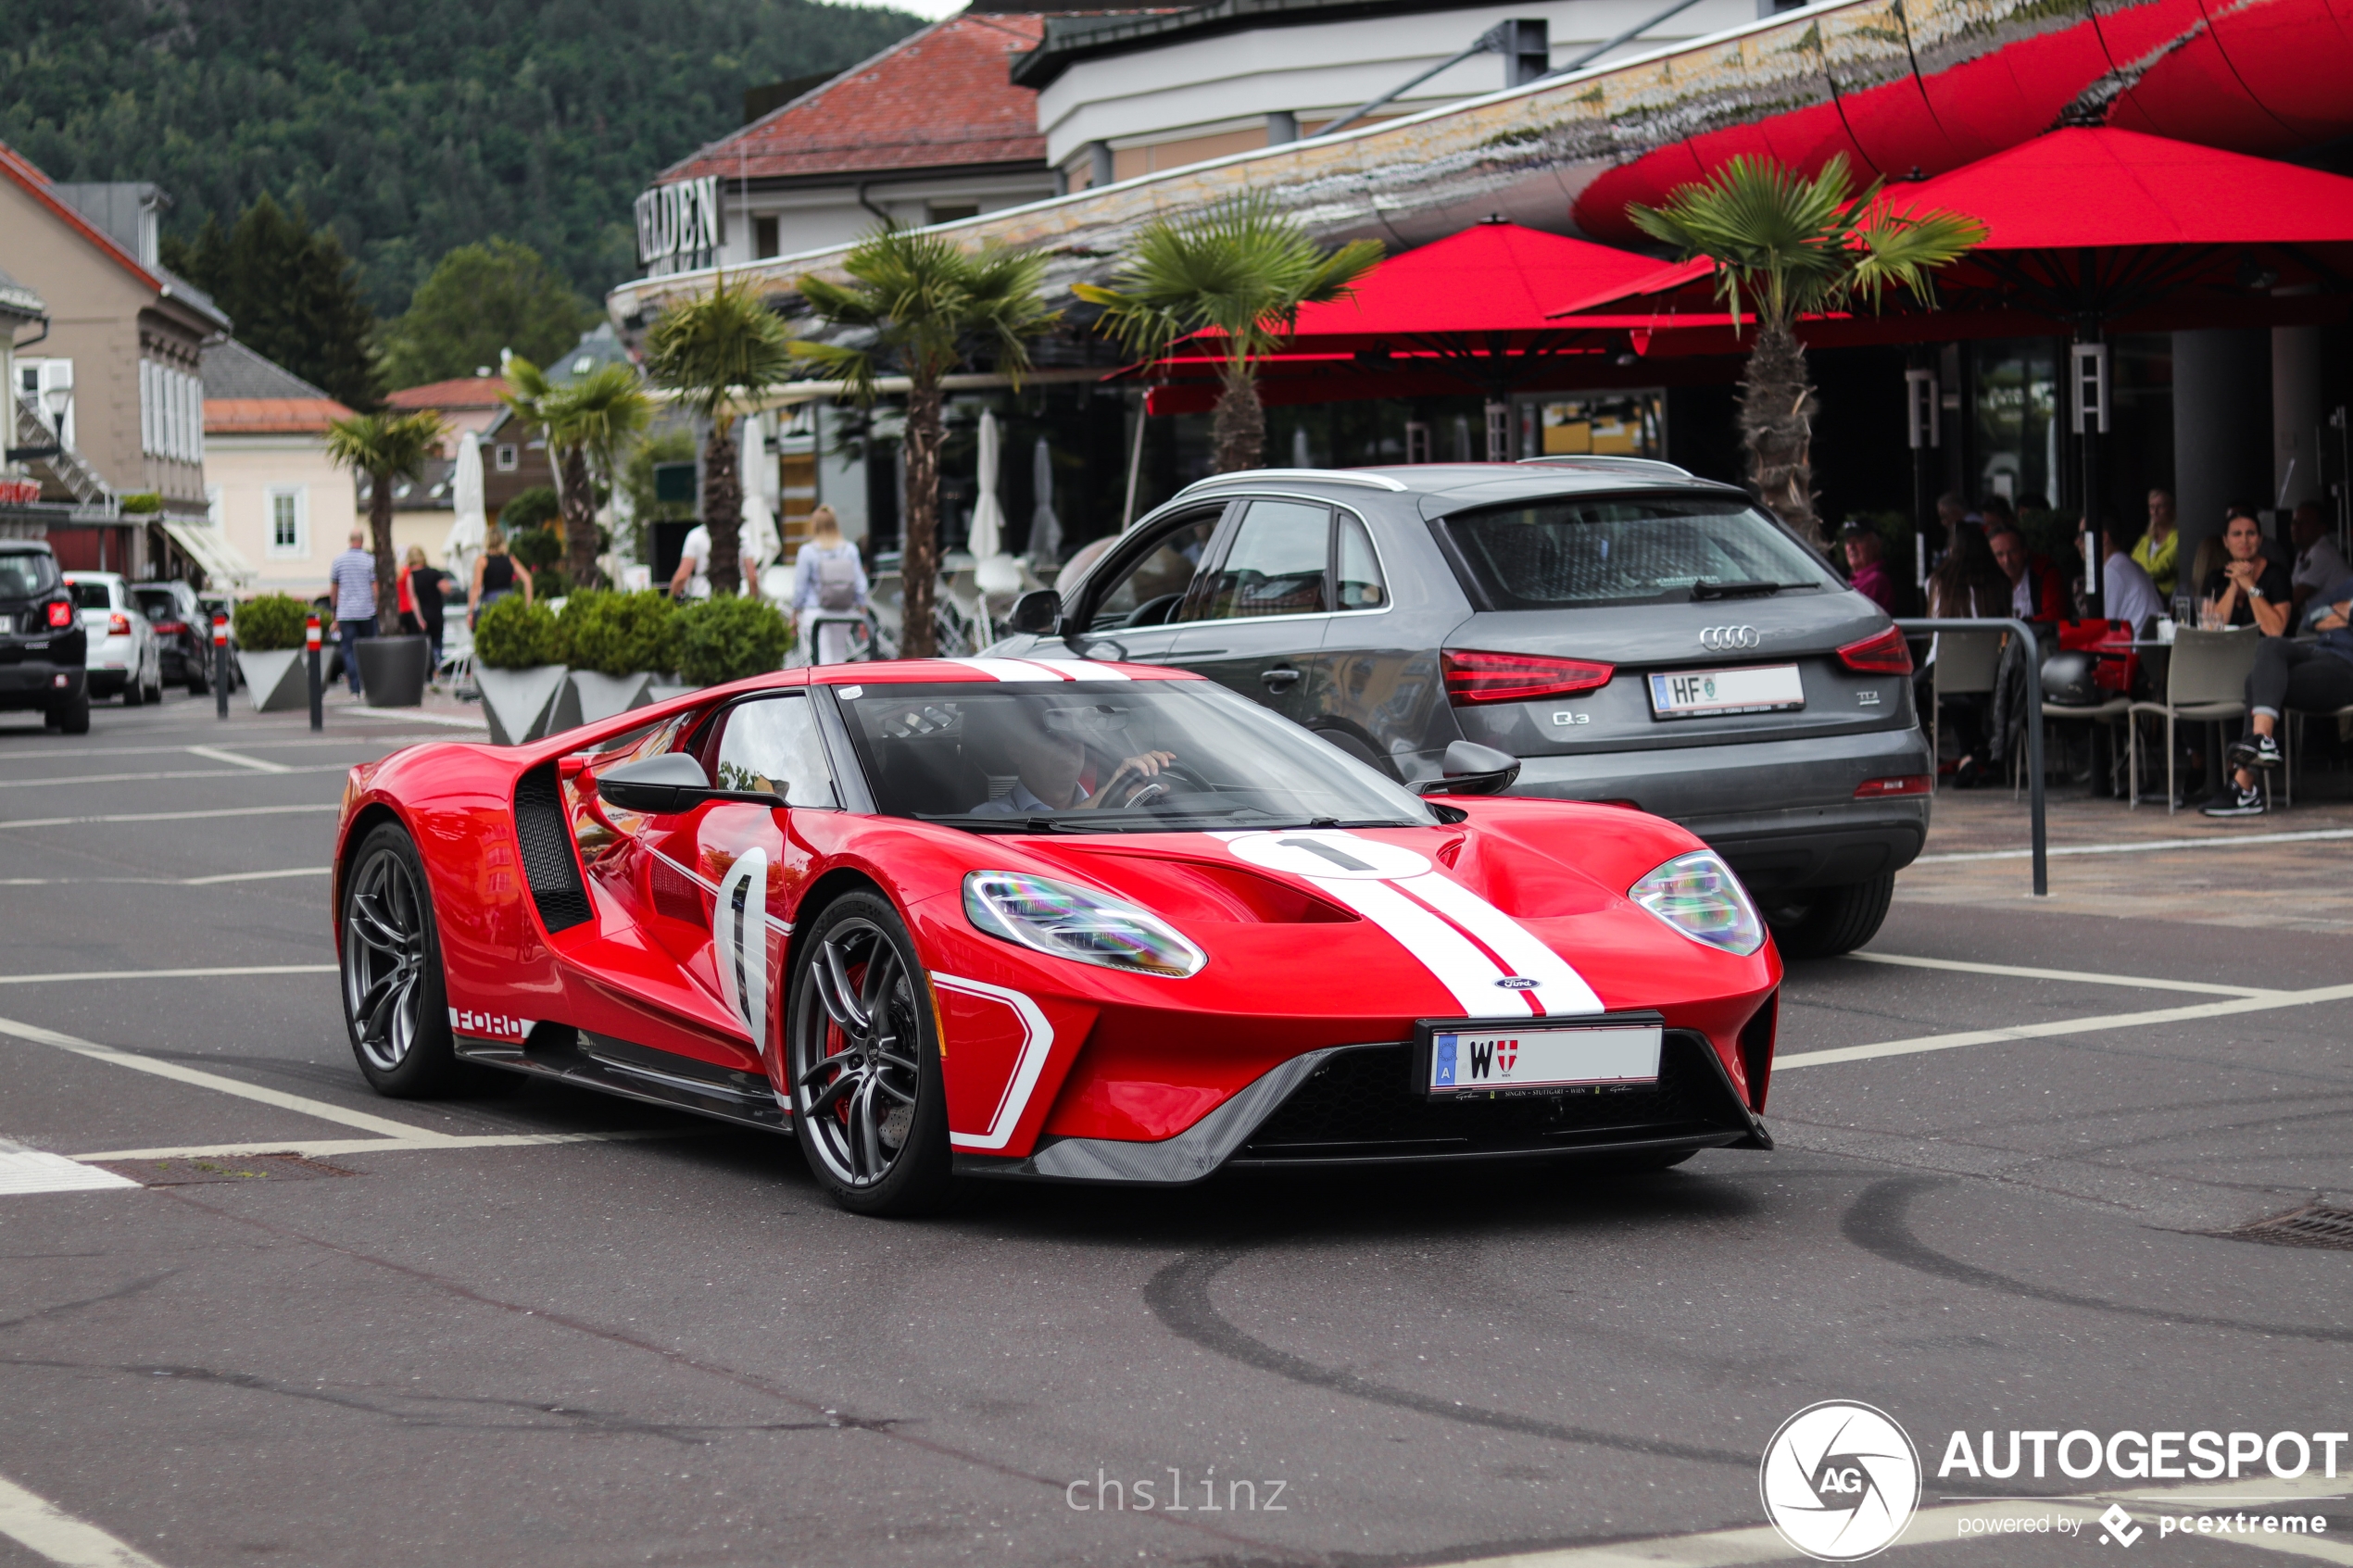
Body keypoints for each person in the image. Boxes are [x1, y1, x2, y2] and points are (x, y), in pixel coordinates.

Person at [2205, 573, 2353, 817]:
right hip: (2318, 653)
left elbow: (2318, 617)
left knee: (2258, 681)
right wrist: (2342, 615)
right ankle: (2262, 741)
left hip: (2346, 666)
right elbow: (2310, 616)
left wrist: (2345, 611)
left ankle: (2244, 786)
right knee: (2270, 646)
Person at [971, 703, 1177, 816]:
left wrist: (1142, 796)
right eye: (1051, 735)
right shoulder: (989, 817)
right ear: (1016, 751)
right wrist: (1108, 795)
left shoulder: (1122, 806)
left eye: (1077, 735)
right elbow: (1045, 835)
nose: (1069, 744)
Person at [1924, 525, 2011, 787]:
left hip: (1947, 669)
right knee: (1963, 692)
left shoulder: (1938, 582)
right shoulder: (2000, 582)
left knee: (1923, 689)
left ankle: (1963, 756)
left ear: (1952, 550)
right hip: (1990, 672)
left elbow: (1934, 632)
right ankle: (1977, 749)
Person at [791, 506, 870, 664]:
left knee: (819, 658)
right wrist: (863, 611)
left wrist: (794, 614)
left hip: (816, 612)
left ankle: (822, 687)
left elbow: (800, 587)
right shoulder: (849, 549)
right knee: (839, 656)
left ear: (814, 525)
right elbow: (860, 585)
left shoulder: (807, 551)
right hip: (843, 611)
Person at [2197, 511, 2291, 633]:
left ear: (2260, 539)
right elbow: (2211, 630)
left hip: (2267, 650)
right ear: (2226, 541)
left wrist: (2250, 585)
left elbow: (2275, 631)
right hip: (2227, 650)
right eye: (2237, 534)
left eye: (2251, 533)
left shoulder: (2277, 575)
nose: (2244, 540)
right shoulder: (2216, 578)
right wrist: (2232, 588)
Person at [2082, 520, 2163, 628]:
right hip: (2146, 641)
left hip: (2136, 643)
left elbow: (2101, 630)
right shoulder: (2123, 564)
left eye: (2083, 535)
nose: (2077, 541)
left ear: (2104, 537)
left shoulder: (2112, 570)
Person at [326, 528, 377, 696]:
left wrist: (334, 610)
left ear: (350, 541)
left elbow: (334, 588)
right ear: (362, 541)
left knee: (349, 650)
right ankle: (368, 685)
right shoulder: (370, 560)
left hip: (346, 612)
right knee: (367, 649)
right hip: (366, 612)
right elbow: (374, 587)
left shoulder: (338, 561)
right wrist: (376, 605)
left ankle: (355, 688)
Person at [1986, 521, 2067, 621]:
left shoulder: (2043, 572)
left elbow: (2054, 617)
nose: (2007, 561)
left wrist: (2019, 626)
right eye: (1999, 555)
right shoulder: (1984, 581)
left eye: (2012, 552)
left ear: (2025, 552)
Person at [2288, 501, 2349, 622]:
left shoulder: (2322, 553)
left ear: (2321, 528)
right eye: (2294, 522)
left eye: (2304, 523)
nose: (2296, 528)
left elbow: (2294, 600)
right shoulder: (2303, 554)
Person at [469, 525, 533, 628]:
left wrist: (470, 611)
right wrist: (528, 606)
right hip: (509, 599)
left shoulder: (482, 560)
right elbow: (527, 579)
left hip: (491, 600)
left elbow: (477, 586)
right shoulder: (510, 559)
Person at [399, 546, 448, 670]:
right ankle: (436, 672)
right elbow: (446, 588)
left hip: (414, 617)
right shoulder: (433, 573)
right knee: (436, 646)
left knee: (418, 649)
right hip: (435, 615)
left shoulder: (406, 575)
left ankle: (422, 673)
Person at [1841, 524, 1896, 613]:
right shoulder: (1852, 579)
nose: (1851, 547)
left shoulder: (1876, 580)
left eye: (1858, 540)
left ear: (1876, 545)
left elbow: (1845, 612)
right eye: (1848, 542)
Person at [2135, 488, 2180, 599]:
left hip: (2167, 600)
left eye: (2160, 506)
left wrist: (2139, 571)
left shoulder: (2177, 538)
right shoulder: (2145, 539)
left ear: (2172, 508)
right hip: (2143, 598)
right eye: (2151, 507)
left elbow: (2159, 569)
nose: (2155, 511)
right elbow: (2131, 566)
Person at [668, 522, 712, 600]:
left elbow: (682, 576)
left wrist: (670, 600)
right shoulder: (739, 532)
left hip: (702, 596)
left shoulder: (697, 536)